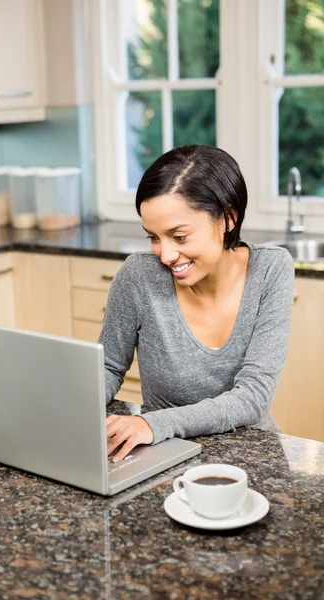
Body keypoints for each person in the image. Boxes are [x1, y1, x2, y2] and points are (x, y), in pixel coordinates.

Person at [100, 144, 294, 463]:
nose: (165, 255)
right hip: (163, 455)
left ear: (228, 217)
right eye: (153, 237)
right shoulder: (138, 275)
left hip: (253, 455)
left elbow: (253, 397)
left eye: (179, 237)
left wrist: (154, 423)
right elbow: (108, 366)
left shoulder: (271, 270)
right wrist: (74, 406)